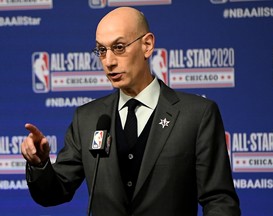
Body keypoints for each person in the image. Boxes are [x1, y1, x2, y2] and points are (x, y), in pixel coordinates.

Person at [21, 7, 241, 216]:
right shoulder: (88, 119)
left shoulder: (196, 115)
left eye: (119, 47)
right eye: (101, 50)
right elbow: (54, 192)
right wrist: (40, 164)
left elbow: (219, 201)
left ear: (147, 45)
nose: (109, 61)